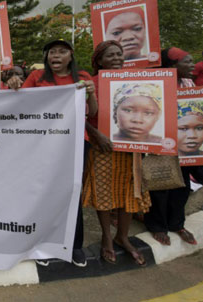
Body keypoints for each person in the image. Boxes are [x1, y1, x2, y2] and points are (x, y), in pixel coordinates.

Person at [8, 39, 96, 268]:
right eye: (52, 52)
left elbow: (93, 111)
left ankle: (74, 245)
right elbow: (20, 104)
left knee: (72, 192)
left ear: (71, 56)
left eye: (62, 52)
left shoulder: (83, 77)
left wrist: (92, 93)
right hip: (42, 144)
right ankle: (43, 244)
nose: (56, 56)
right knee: (43, 193)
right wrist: (14, 85)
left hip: (75, 143)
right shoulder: (37, 78)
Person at [83, 40, 151, 267]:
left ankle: (122, 236)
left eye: (119, 55)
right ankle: (106, 237)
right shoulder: (90, 84)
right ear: (99, 60)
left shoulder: (137, 82)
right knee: (105, 193)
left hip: (131, 147)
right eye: (110, 55)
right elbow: (81, 115)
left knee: (129, 193)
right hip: (102, 147)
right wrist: (95, 134)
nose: (116, 59)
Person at [144, 47, 199, 246]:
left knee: (182, 185)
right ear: (173, 65)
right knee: (160, 184)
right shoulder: (154, 82)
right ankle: (157, 226)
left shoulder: (188, 82)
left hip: (184, 142)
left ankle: (177, 223)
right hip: (161, 140)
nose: (193, 65)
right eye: (188, 61)